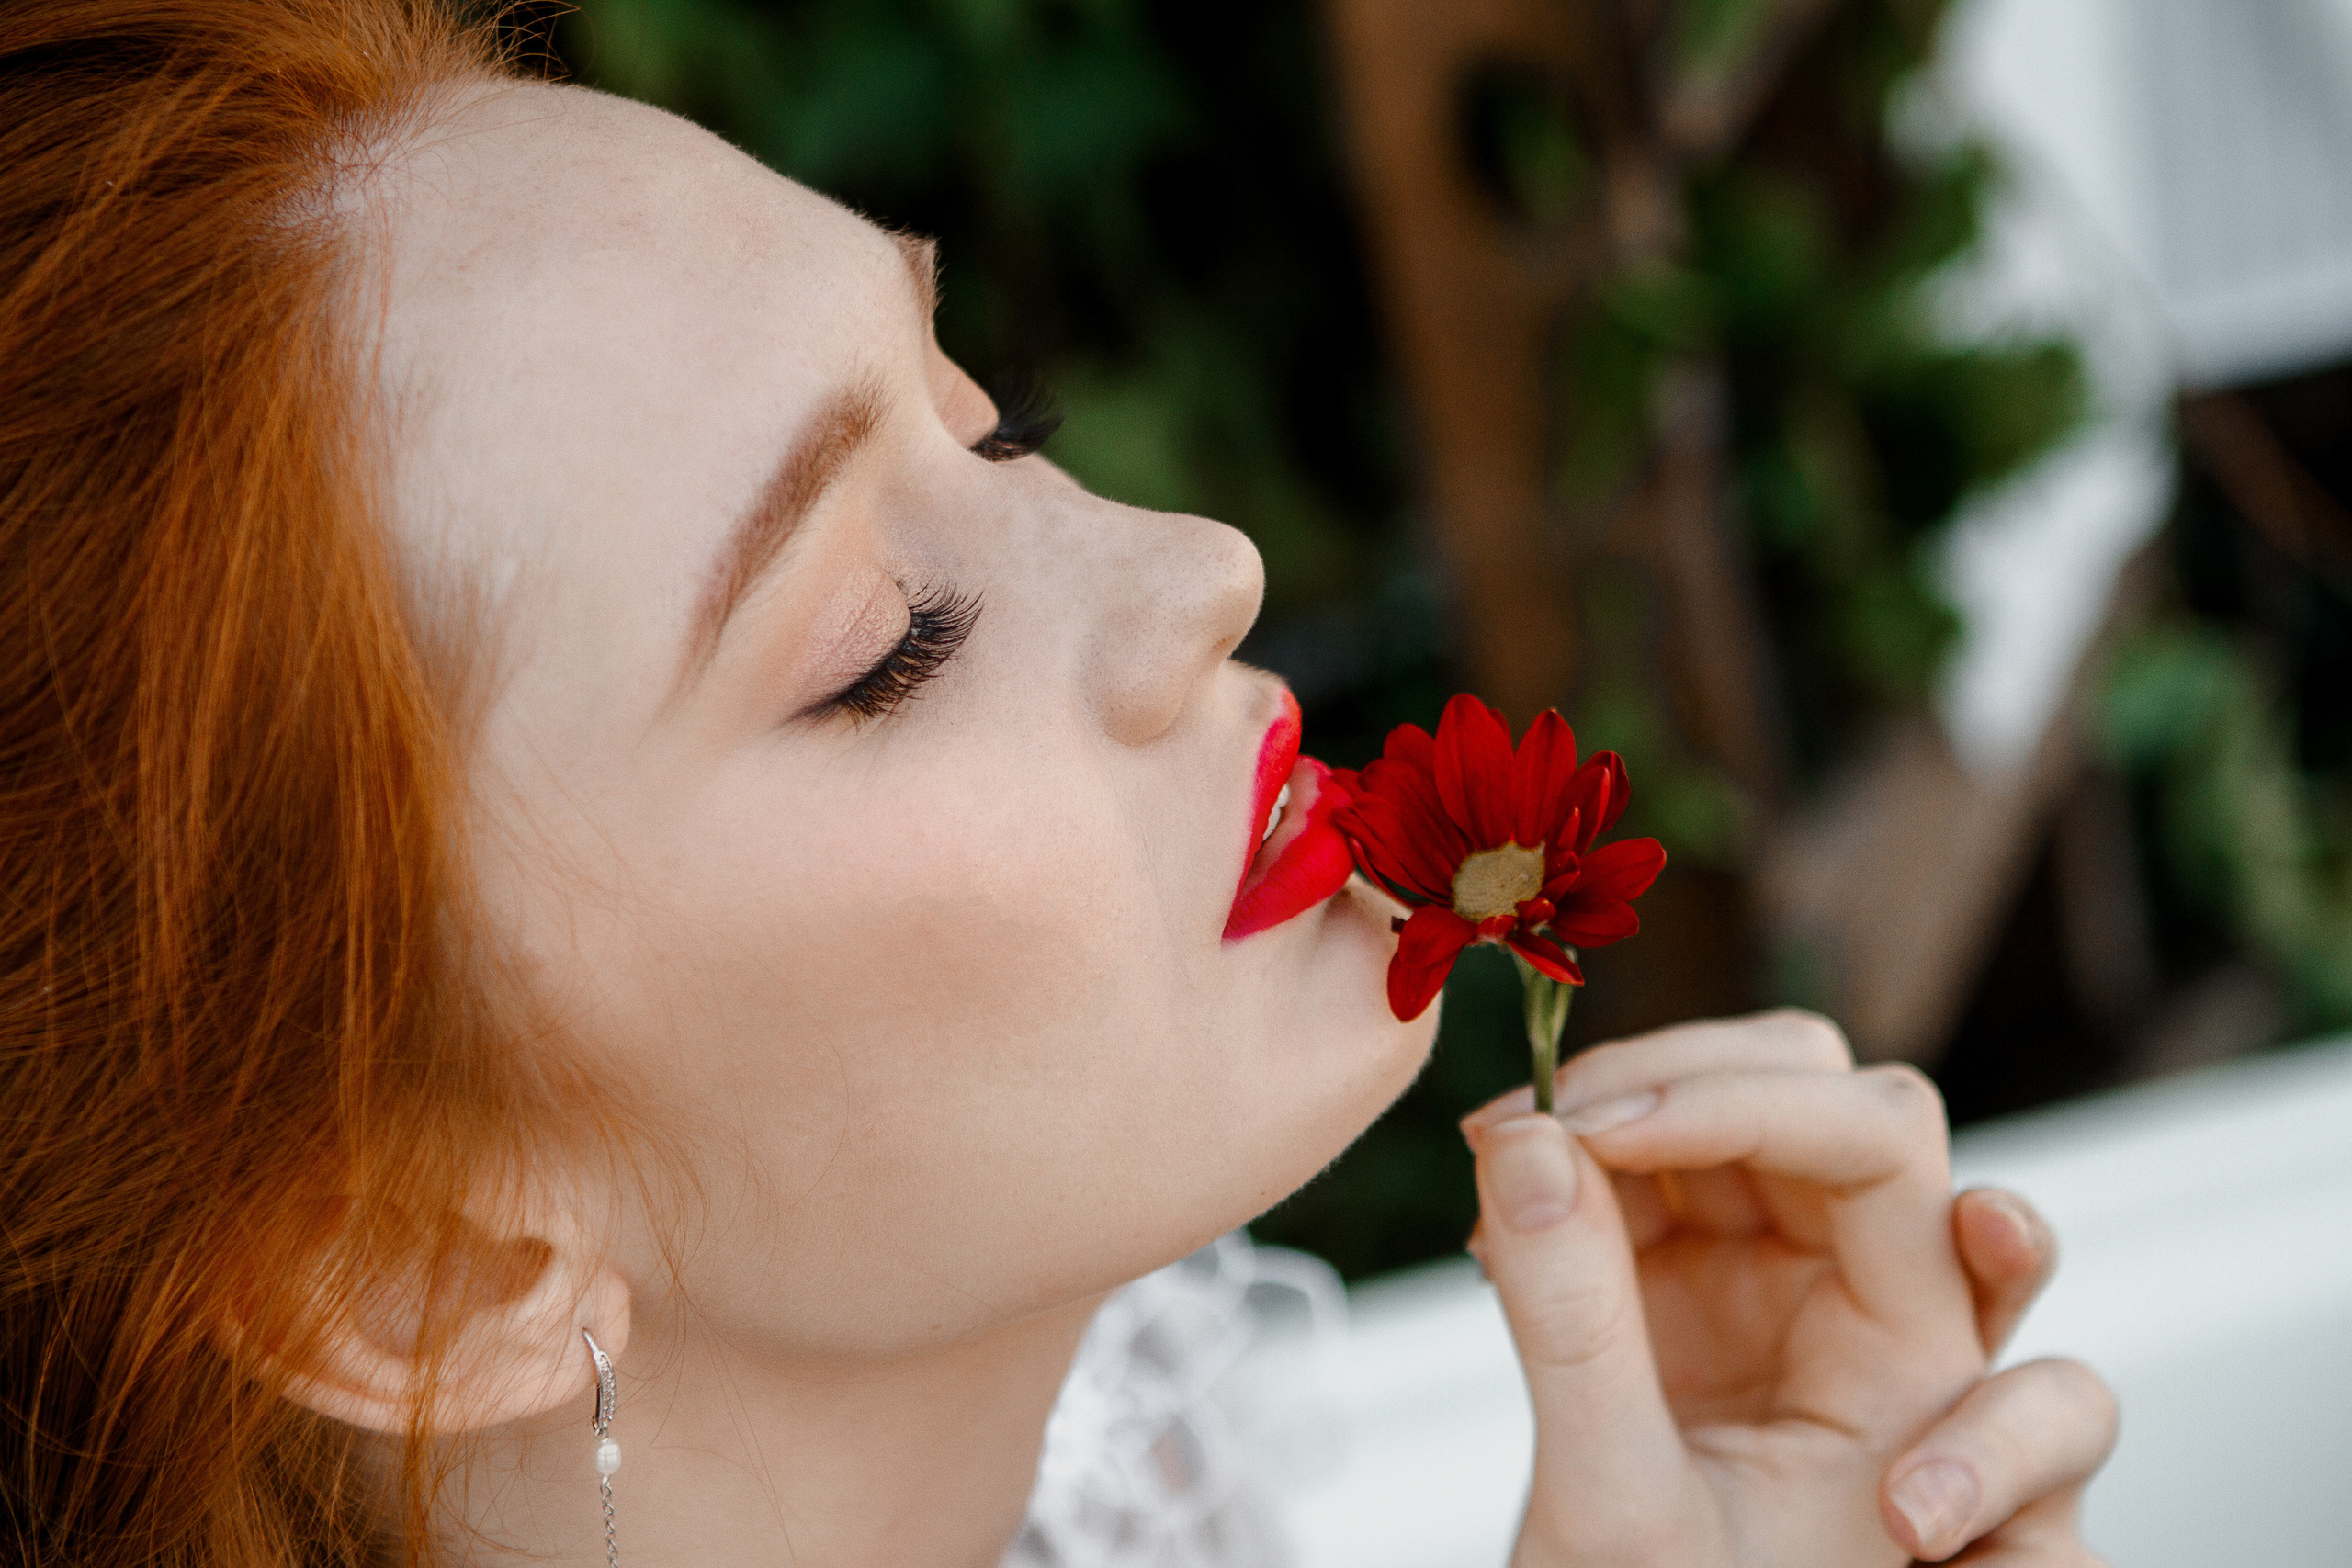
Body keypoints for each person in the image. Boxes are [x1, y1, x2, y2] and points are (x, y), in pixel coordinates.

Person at [0, 4, 2117, 1564]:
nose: (1200, 573)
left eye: (988, 423)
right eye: (880, 647)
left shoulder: (1119, 1457)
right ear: (416, 1266)